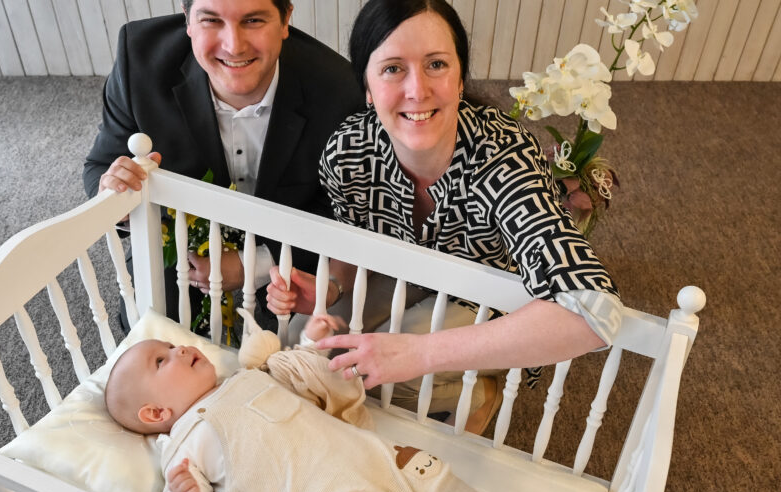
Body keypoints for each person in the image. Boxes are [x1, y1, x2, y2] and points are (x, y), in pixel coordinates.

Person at [266, 0, 623, 430]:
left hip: (485, 301)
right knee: (299, 345)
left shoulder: (502, 159)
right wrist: (332, 287)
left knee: (376, 376)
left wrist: (417, 354)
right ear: (367, 87)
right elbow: (354, 241)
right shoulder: (347, 153)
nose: (417, 90)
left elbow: (593, 309)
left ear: (460, 79)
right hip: (402, 275)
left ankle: (480, 393)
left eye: (436, 64)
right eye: (392, 69)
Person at [83, 0, 364, 329]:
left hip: (288, 244)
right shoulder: (139, 57)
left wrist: (253, 264)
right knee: (150, 326)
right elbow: (101, 164)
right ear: (187, 20)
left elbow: (339, 209)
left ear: (286, 18)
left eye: (253, 20)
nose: (234, 46)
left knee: (302, 343)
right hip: (181, 241)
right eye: (211, 21)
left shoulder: (339, 89)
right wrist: (115, 198)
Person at [104, 315, 512, 492]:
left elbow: (302, 379)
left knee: (434, 479)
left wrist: (311, 346)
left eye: (172, 345)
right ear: (156, 413)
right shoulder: (183, 444)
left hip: (367, 454)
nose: (179, 349)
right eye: (162, 360)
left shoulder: (246, 377)